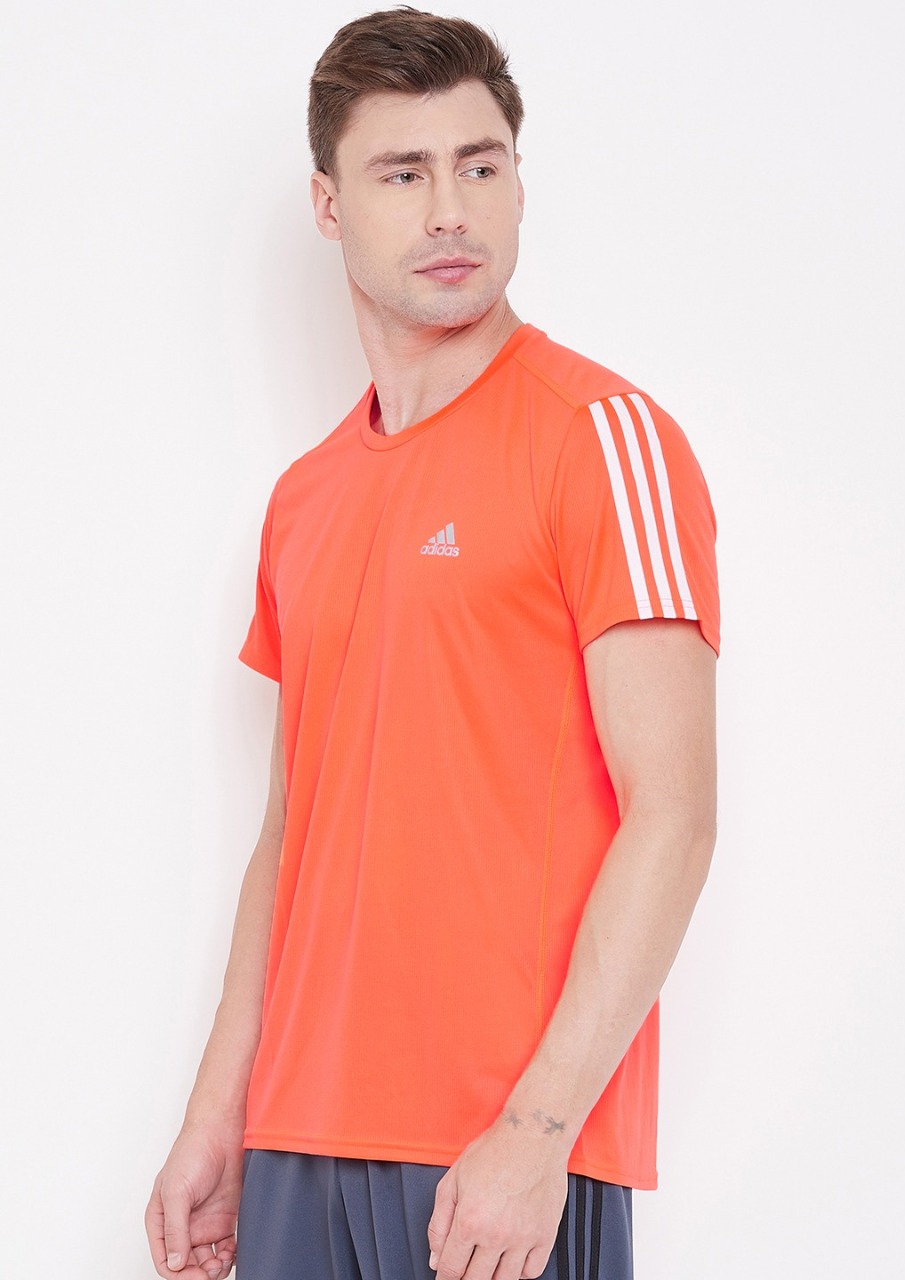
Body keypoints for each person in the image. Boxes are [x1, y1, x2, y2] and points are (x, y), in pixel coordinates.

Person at [145, 9, 720, 1280]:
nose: (451, 211)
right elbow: (293, 835)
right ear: (329, 204)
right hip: (297, 1139)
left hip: (492, 1153)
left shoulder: (601, 437)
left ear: (517, 178)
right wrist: (218, 1114)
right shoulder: (305, 497)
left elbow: (674, 815)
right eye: (403, 174)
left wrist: (539, 1128)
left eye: (480, 165)